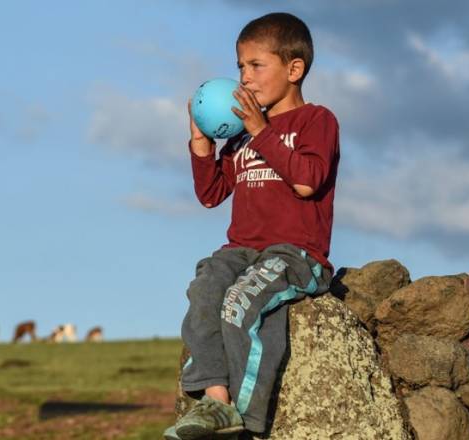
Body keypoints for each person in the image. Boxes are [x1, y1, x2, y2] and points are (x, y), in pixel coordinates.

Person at [165, 12, 340, 440]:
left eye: (256, 65)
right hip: (242, 251)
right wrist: (201, 142)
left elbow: (306, 182)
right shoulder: (241, 136)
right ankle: (216, 401)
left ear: (294, 69)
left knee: (241, 302)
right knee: (205, 288)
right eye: (241, 66)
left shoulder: (316, 120)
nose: (245, 77)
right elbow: (211, 194)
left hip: (295, 254)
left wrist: (262, 132)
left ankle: (248, 416)